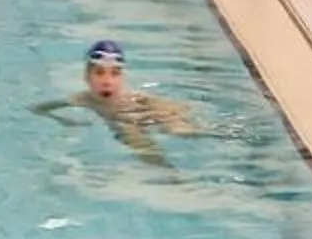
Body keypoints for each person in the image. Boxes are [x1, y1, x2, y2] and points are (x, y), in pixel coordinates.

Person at [33, 40, 196, 165]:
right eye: (99, 73)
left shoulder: (134, 96)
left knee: (178, 130)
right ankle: (170, 174)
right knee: (136, 140)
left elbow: (172, 106)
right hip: (124, 122)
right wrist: (64, 120)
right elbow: (38, 109)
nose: (107, 81)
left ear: (122, 78)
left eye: (115, 74)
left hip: (144, 113)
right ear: (87, 77)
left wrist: (174, 116)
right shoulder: (82, 99)